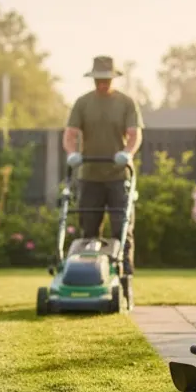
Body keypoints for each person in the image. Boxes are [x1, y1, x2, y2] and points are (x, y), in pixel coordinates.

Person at [63, 55, 143, 274]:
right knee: (88, 231)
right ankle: (88, 274)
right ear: (93, 79)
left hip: (118, 176)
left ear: (113, 78)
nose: (102, 83)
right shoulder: (83, 102)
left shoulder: (126, 103)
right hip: (89, 175)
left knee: (122, 229)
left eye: (106, 79)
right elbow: (70, 134)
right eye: (98, 79)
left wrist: (127, 153)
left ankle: (124, 276)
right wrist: (72, 154)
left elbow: (135, 134)